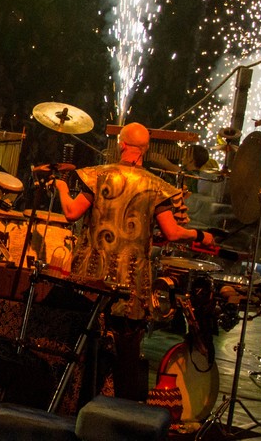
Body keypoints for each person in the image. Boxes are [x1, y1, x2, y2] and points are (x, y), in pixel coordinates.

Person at [52, 122, 216, 400]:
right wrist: (201, 235)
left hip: (91, 281)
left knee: (85, 348)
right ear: (146, 150)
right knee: (126, 357)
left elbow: (71, 213)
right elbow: (172, 233)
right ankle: (123, 413)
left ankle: (76, 407)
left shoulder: (98, 176)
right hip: (131, 286)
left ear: (121, 145)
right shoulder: (157, 187)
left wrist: (61, 188)